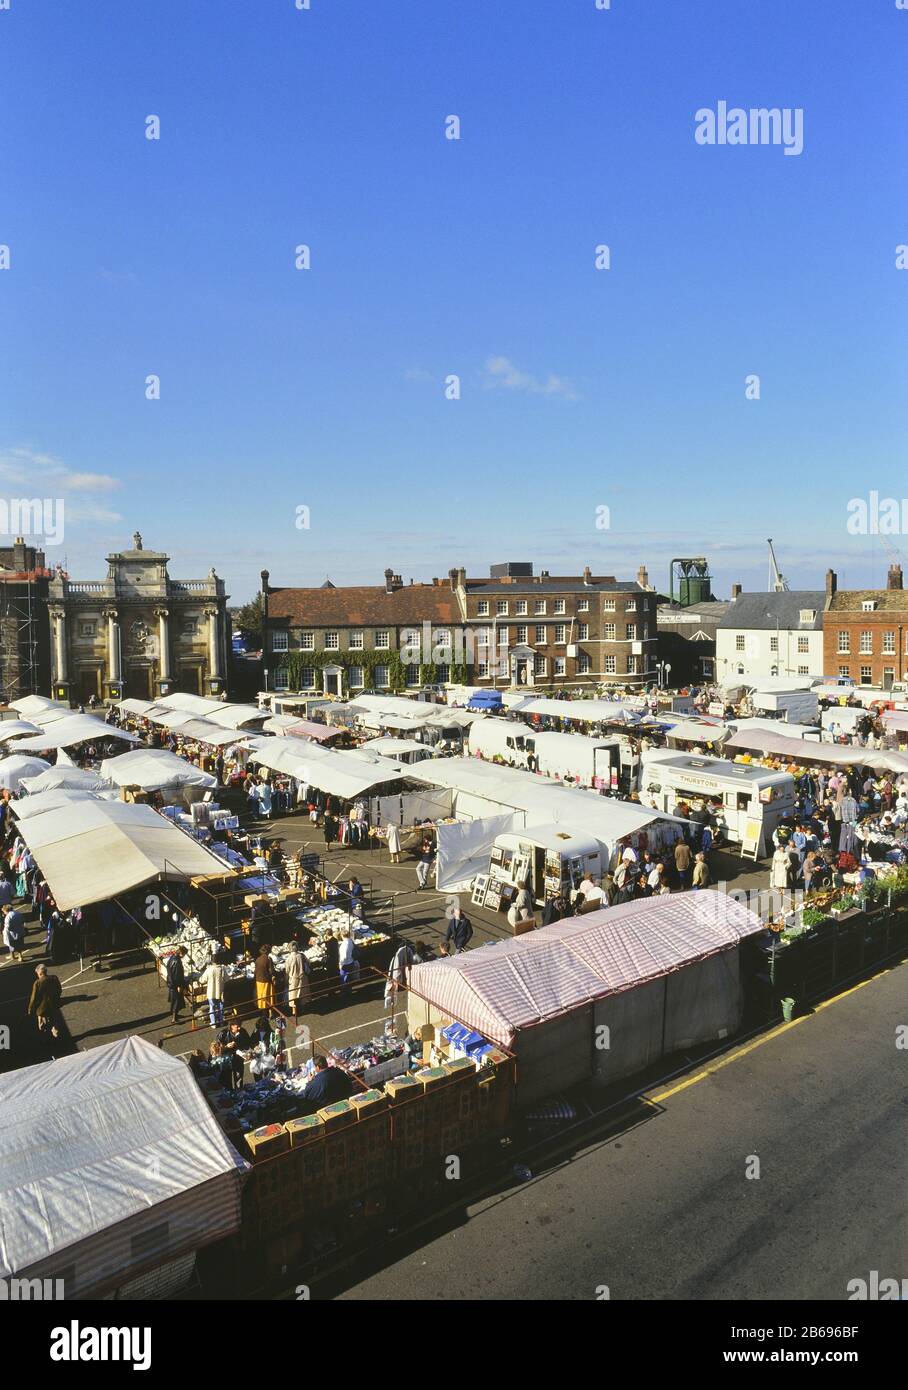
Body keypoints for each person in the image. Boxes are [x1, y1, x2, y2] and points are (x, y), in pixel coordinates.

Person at [27, 964, 63, 1038]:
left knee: (42, 1025)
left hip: (42, 1008)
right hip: (53, 1005)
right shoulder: (54, 978)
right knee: (54, 1021)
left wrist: (30, 1009)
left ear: (39, 973)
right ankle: (56, 1035)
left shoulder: (37, 983)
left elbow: (33, 998)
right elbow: (59, 990)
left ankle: (45, 1037)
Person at [286, 939, 310, 1019]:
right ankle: (303, 1008)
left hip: (293, 979)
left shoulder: (289, 959)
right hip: (302, 977)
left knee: (293, 995)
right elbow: (308, 962)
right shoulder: (302, 956)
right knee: (303, 993)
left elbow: (287, 971)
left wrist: (286, 980)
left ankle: (294, 1011)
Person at [200, 957, 227, 1028]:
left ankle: (213, 1023)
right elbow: (227, 979)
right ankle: (221, 1021)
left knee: (212, 1007)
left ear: (212, 961)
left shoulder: (209, 970)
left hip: (211, 992)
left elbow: (202, 980)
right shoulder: (222, 969)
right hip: (220, 991)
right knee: (220, 1006)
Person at [254, 943, 276, 1011]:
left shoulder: (257, 959)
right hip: (266, 981)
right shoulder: (269, 959)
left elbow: (255, 971)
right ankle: (270, 1012)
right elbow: (271, 971)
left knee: (261, 996)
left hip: (258, 981)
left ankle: (262, 1010)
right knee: (268, 997)